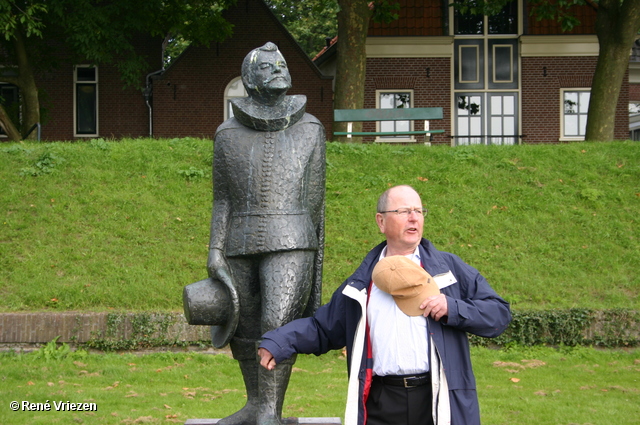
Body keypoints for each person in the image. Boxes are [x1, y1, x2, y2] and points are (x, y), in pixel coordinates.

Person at [258, 185, 512, 425]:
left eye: (419, 211)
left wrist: (453, 308)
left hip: (437, 397)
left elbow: (498, 314)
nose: (414, 218)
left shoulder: (449, 271)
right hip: (381, 401)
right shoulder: (363, 282)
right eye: (403, 211)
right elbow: (324, 328)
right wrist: (280, 342)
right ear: (381, 221)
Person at [207, 42, 325, 425]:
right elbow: (222, 200)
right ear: (248, 78)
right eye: (266, 66)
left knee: (277, 325)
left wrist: (316, 259)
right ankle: (255, 404)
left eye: (282, 64)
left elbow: (315, 202)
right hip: (239, 241)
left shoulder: (310, 129)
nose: (277, 69)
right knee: (244, 325)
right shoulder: (226, 134)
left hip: (292, 240)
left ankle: (271, 412)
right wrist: (214, 249)